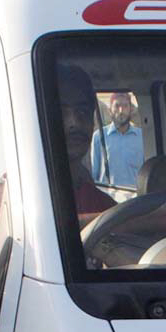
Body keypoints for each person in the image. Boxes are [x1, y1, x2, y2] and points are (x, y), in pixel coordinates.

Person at [56, 65, 117, 219]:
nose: (74, 123)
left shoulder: (103, 205)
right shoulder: (17, 198)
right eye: (61, 113)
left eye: (82, 112)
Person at [91, 92, 144, 188]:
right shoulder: (99, 137)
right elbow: (94, 175)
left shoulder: (141, 137)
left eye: (125, 106)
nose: (121, 111)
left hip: (135, 198)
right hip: (108, 197)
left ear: (131, 109)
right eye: (117, 106)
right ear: (110, 110)